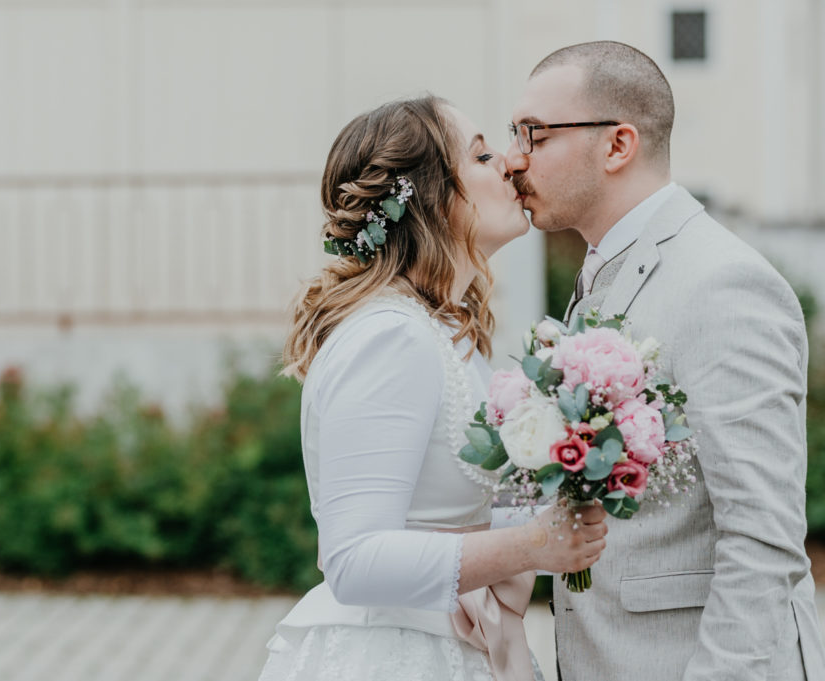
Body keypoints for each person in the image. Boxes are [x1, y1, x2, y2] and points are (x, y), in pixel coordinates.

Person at [504, 42, 825, 681]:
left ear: (618, 145)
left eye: (535, 134)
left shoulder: (722, 284)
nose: (515, 157)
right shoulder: (602, 273)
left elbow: (764, 535)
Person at [259, 95, 608, 681]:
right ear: (430, 196)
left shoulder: (439, 333)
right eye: (479, 155)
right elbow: (354, 560)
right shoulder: (390, 337)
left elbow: (440, 518)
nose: (509, 163)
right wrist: (534, 546)